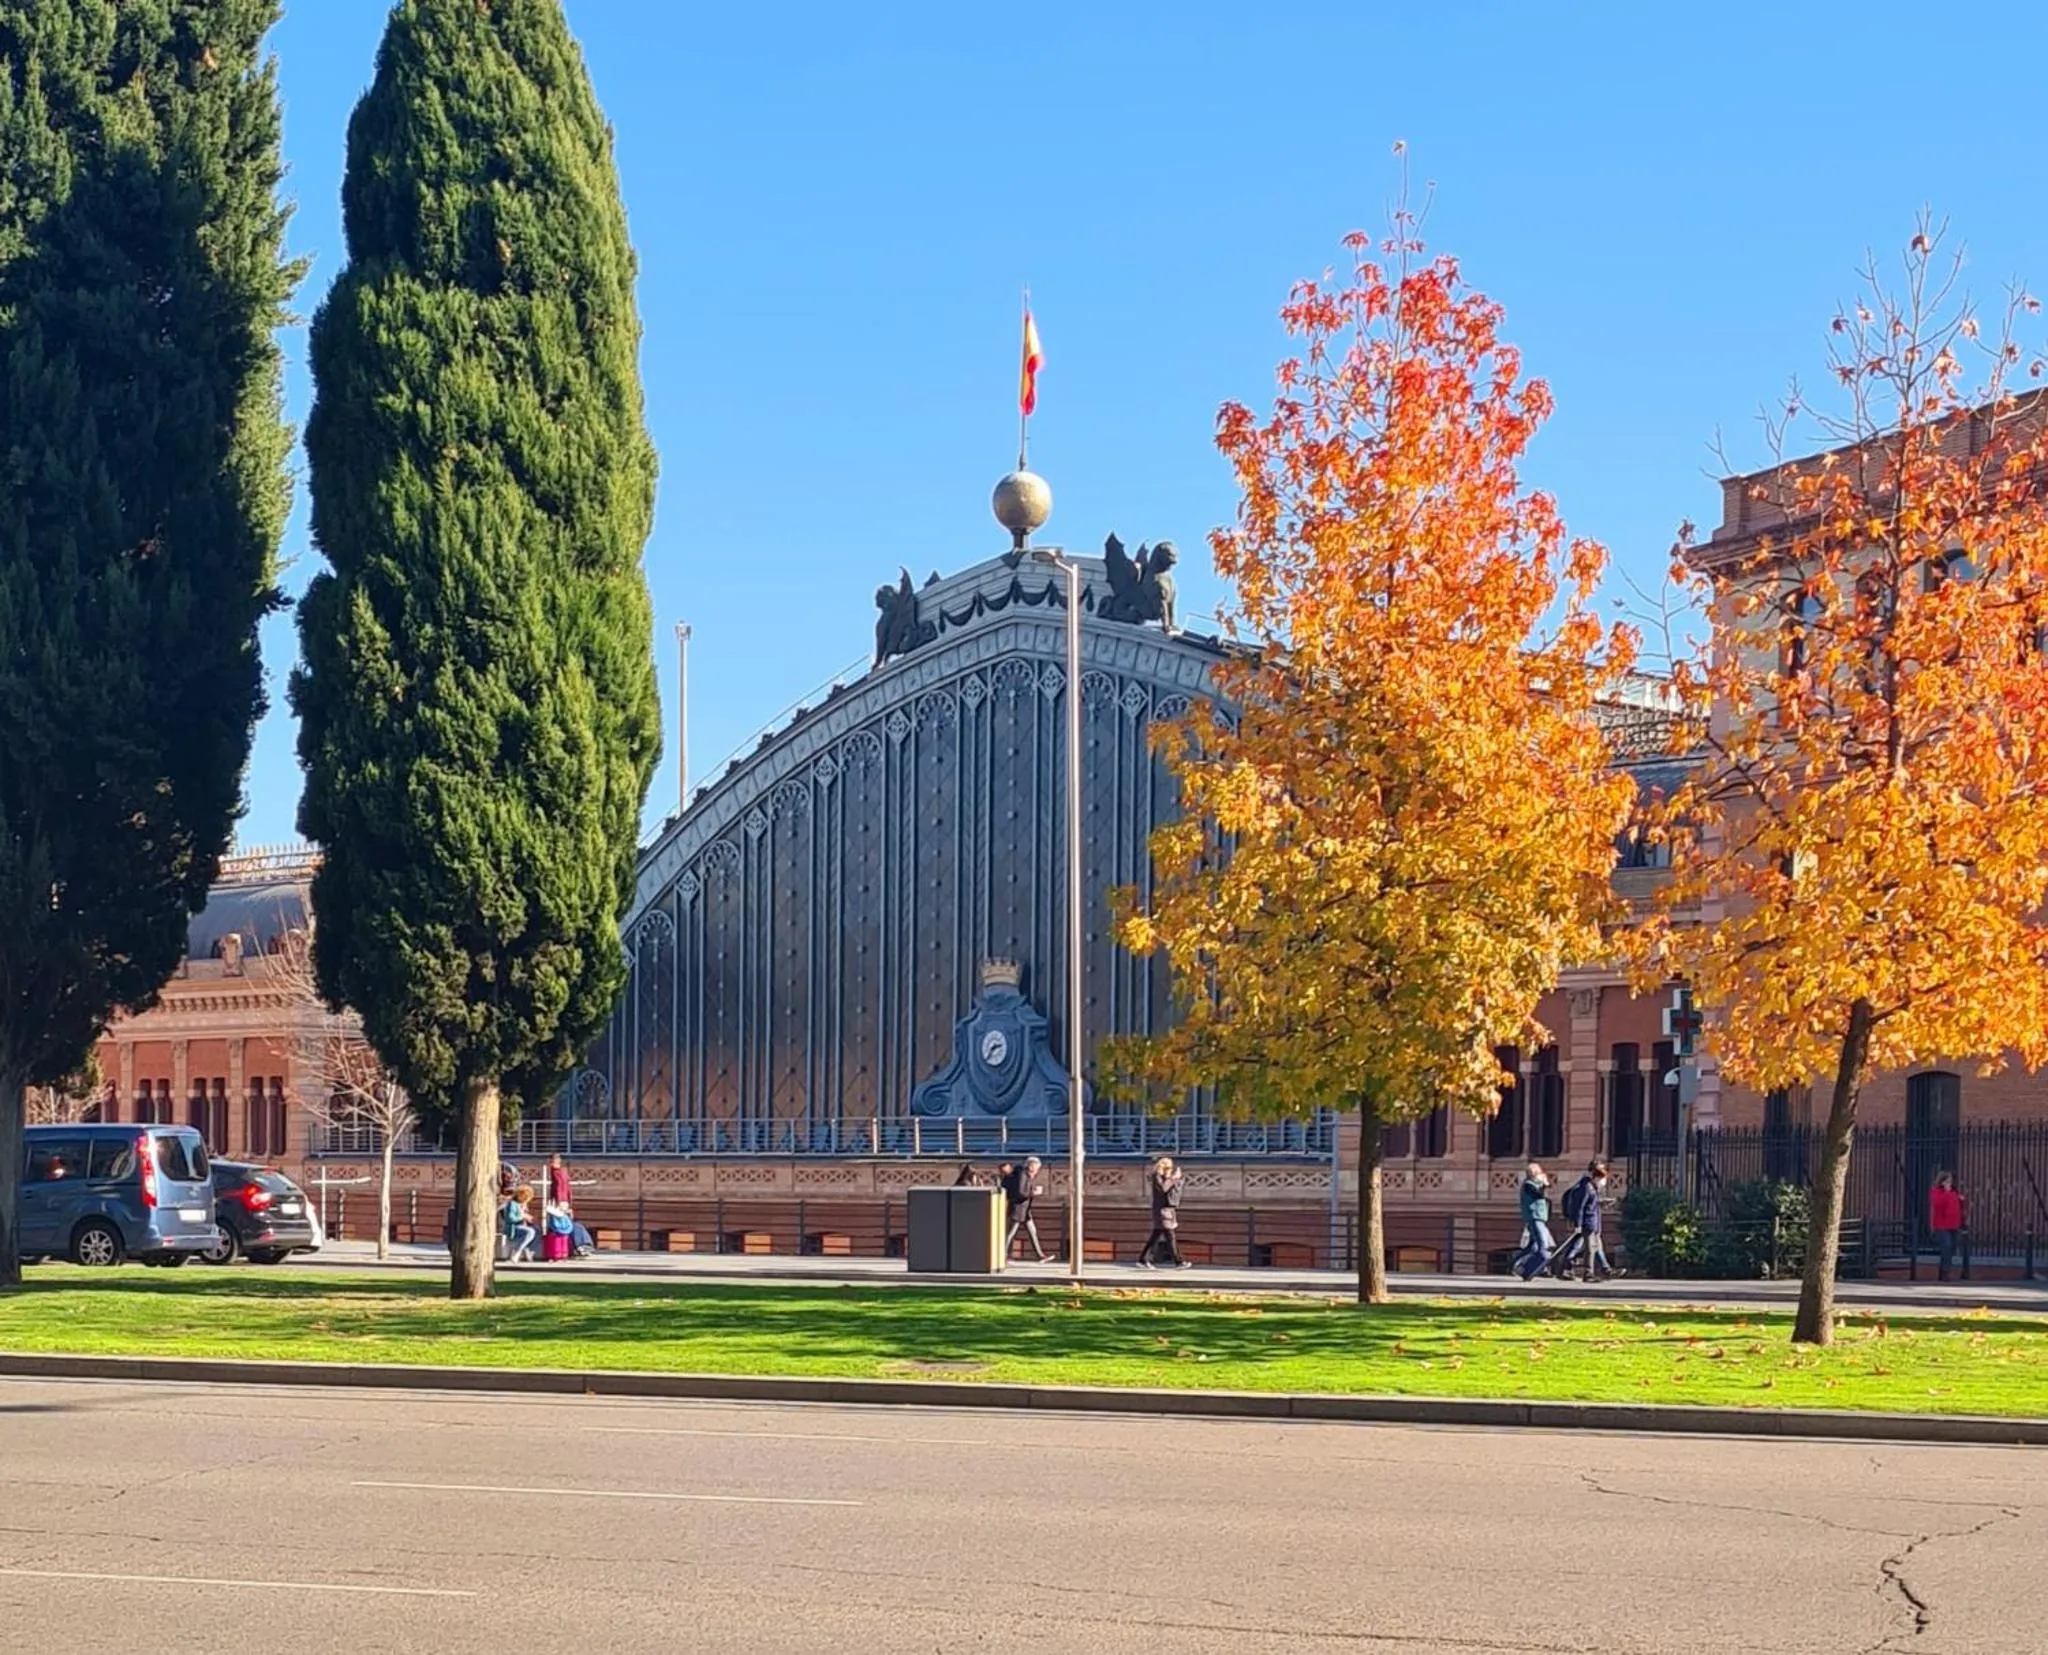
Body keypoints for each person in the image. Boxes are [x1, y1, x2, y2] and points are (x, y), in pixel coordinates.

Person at [1556, 1161, 1617, 1281]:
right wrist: (1578, 1224)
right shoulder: (1586, 1187)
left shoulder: (1591, 1187)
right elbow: (1580, 1207)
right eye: (1602, 1178)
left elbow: (1591, 1203)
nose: (1603, 1182)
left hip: (1593, 1223)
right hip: (1587, 1223)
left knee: (1595, 1247)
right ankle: (1588, 1273)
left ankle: (1605, 1270)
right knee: (1590, 1249)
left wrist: (1603, 1202)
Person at [1139, 1155, 1188, 1269]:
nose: (1170, 1171)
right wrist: (1174, 1178)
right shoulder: (1156, 1176)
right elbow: (1163, 1189)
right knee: (1170, 1237)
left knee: (1157, 1236)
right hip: (1161, 1211)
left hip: (1166, 1211)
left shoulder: (1163, 1178)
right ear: (1165, 1168)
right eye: (1169, 1168)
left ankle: (1143, 1259)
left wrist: (1174, 1179)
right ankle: (1178, 1261)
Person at [1002, 1155, 1049, 1262]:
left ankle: (1040, 1255)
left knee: (1032, 1231)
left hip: (1025, 1210)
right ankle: (1003, 1255)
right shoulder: (1022, 1175)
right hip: (1018, 1209)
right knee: (1010, 1233)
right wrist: (1033, 1193)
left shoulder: (1026, 1175)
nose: (1037, 1171)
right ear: (1031, 1166)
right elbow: (1020, 1192)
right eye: (1037, 1168)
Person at [1514, 1162, 1555, 1282]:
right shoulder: (1529, 1185)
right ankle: (1525, 1269)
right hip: (1535, 1218)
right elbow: (1539, 1195)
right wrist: (1544, 1184)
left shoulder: (1533, 1185)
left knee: (1532, 1247)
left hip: (1539, 1218)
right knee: (1543, 1249)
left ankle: (1517, 1264)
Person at [1929, 1170, 1967, 1282]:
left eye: (1950, 1180)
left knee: (1952, 1248)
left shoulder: (1954, 1192)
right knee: (1946, 1246)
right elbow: (1937, 1203)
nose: (1948, 1183)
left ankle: (1943, 1271)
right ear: (1941, 1181)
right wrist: (1946, 1193)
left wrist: (1961, 1200)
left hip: (1954, 1225)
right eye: (1946, 1180)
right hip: (1941, 1225)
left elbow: (1958, 1207)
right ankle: (1945, 1273)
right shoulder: (1936, 1191)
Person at [501, 1185, 537, 1262]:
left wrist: (527, 1217)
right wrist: (523, 1217)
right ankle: (516, 1251)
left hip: (520, 1226)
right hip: (512, 1227)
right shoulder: (512, 1204)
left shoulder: (521, 1205)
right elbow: (510, 1218)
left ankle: (528, 1251)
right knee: (530, 1232)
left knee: (536, 1230)